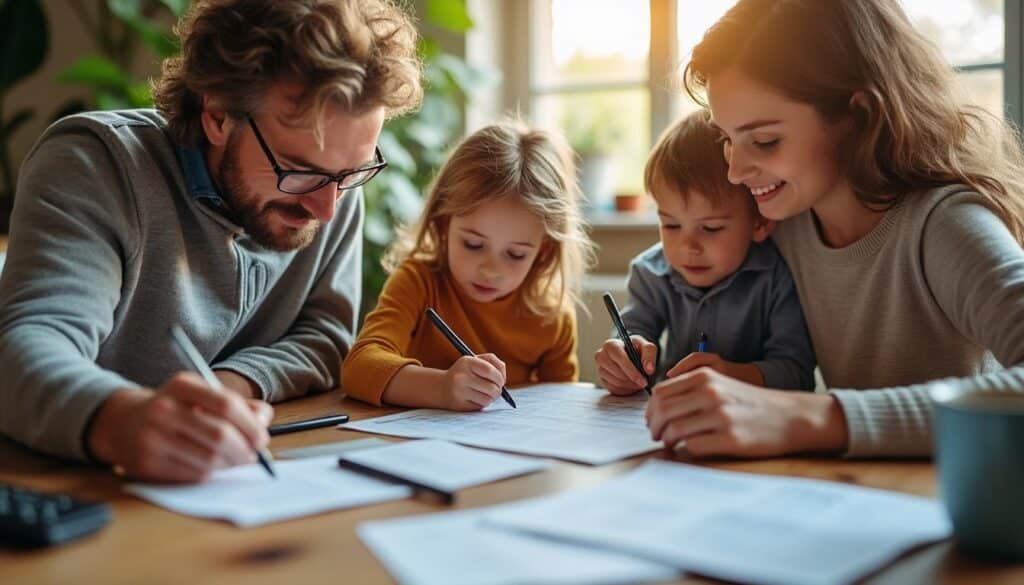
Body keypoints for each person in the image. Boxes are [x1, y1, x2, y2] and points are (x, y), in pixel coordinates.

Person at [0, 0, 422, 482]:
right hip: (75, 488)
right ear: (218, 114)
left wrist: (227, 388)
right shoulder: (95, 168)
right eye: (298, 171)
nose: (326, 210)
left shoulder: (333, 184)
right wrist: (118, 420)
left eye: (351, 172)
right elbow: (23, 351)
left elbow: (324, 336)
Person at [646, 0, 1024, 458]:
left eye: (764, 141)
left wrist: (811, 416)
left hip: (963, 493)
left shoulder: (944, 223)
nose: (735, 172)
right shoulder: (782, 222)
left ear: (857, 114)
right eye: (728, 140)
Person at [342, 119, 593, 410]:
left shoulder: (551, 315)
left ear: (544, 252)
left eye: (516, 255)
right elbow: (359, 367)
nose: (490, 270)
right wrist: (441, 388)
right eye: (473, 245)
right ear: (442, 224)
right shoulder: (418, 282)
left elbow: (562, 405)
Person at [595, 110, 814, 395]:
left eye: (711, 228)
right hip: (672, 419)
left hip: (756, 422)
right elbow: (634, 332)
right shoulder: (651, 272)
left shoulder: (779, 276)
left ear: (760, 222)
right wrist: (625, 362)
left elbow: (796, 373)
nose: (688, 246)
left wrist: (730, 375)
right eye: (671, 225)